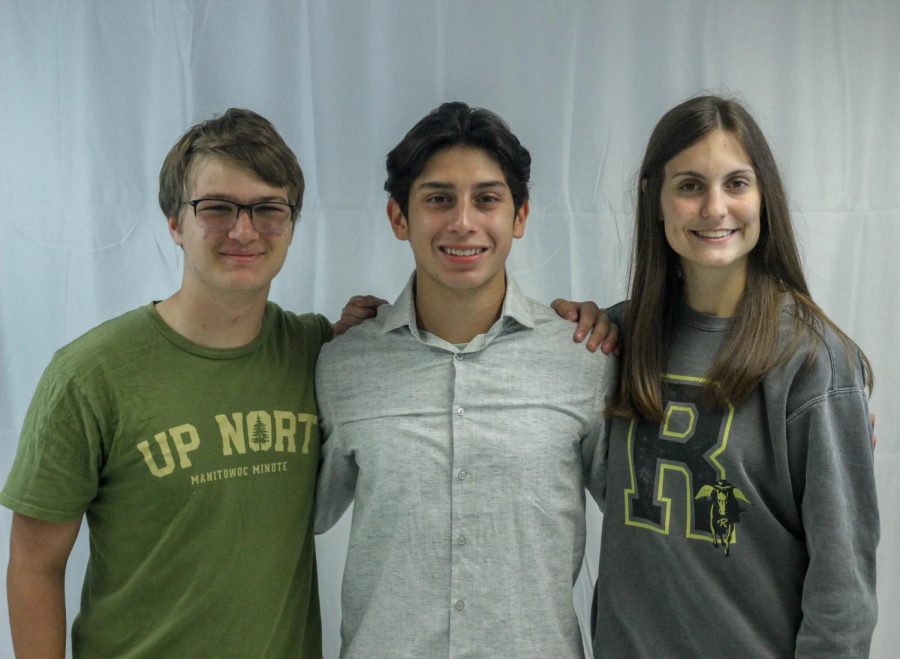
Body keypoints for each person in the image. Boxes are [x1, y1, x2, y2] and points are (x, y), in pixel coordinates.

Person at [2, 108, 339, 657]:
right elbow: (35, 566)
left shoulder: (316, 352)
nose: (244, 230)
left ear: (292, 223)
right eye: (217, 208)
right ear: (174, 222)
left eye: (268, 209)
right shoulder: (89, 376)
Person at [314, 101, 618, 658]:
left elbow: (642, 532)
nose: (462, 221)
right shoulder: (342, 366)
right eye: (437, 199)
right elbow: (296, 516)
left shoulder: (584, 359)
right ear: (398, 217)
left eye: (487, 198)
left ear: (519, 216)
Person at [591, 95, 879, 657]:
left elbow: (842, 585)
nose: (715, 208)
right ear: (656, 200)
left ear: (764, 196)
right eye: (690, 185)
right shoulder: (616, 341)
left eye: (737, 184)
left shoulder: (811, 358)